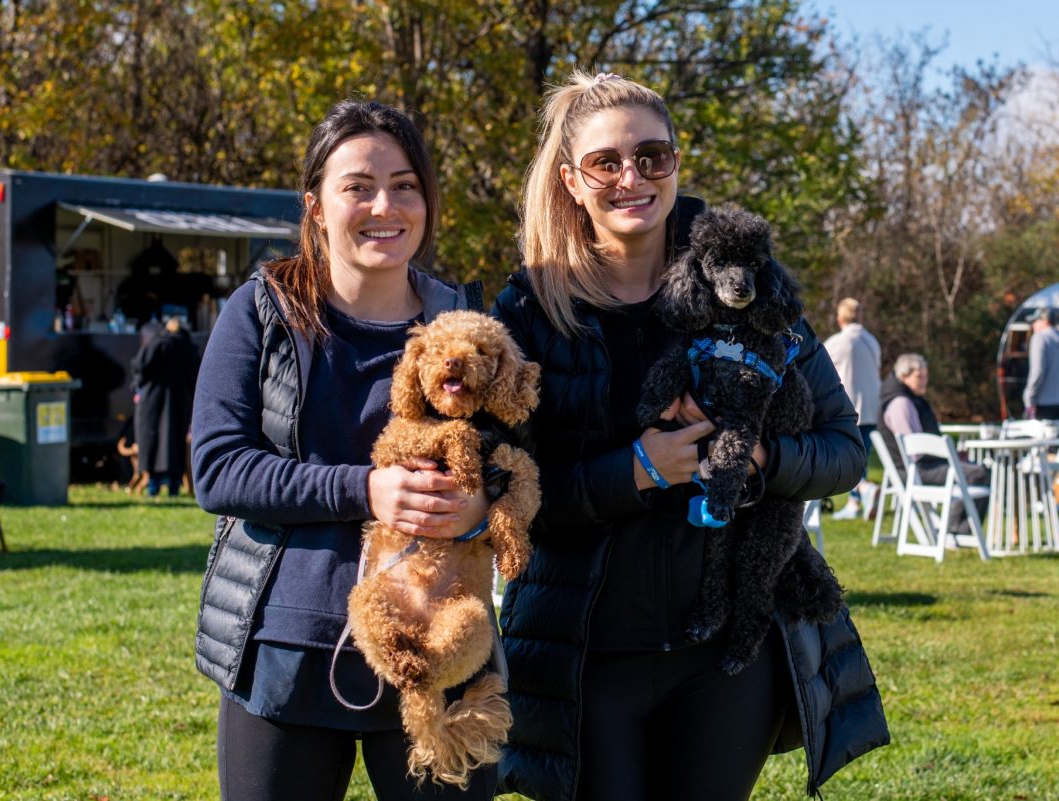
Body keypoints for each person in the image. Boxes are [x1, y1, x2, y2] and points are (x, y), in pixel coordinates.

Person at [491, 71, 888, 801]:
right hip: (584, 653)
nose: (632, 177)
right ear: (572, 180)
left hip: (726, 656)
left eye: (653, 155)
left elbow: (844, 450)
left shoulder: (748, 283)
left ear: (676, 161)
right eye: (606, 163)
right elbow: (509, 495)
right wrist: (638, 469)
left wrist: (759, 461)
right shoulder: (529, 310)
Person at [190, 101, 496, 800]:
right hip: (286, 650)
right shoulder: (262, 309)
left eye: (405, 184)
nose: (384, 205)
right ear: (317, 204)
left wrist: (484, 498)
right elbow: (217, 468)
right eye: (358, 184)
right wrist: (366, 489)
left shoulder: (466, 320)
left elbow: (513, 455)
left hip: (442, 645)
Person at [877, 353, 990, 532]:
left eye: (926, 376)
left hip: (919, 467)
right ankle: (955, 530)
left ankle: (958, 530)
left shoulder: (909, 399)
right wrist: (948, 455)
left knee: (975, 470)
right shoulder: (901, 403)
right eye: (919, 377)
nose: (924, 381)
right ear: (904, 377)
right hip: (914, 470)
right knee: (978, 473)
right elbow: (915, 449)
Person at [823, 297, 882, 520]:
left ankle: (863, 490)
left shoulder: (838, 342)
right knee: (862, 454)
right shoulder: (872, 341)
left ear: (840, 318)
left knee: (846, 457)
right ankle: (857, 499)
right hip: (871, 407)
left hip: (847, 407)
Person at [131, 317, 200, 496]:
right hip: (180, 400)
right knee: (175, 440)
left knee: (151, 440)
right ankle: (174, 485)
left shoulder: (154, 345)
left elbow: (139, 368)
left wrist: (138, 387)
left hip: (151, 401)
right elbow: (197, 377)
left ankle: (152, 484)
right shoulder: (189, 348)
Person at [1024, 308, 1059, 421]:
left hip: (1044, 403)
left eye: (1035, 321)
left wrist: (1029, 398)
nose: (1033, 326)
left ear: (1045, 321)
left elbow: (1037, 372)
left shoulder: (1040, 338)